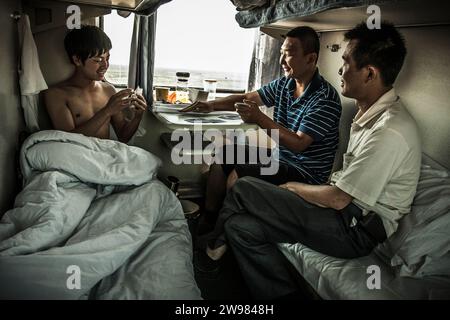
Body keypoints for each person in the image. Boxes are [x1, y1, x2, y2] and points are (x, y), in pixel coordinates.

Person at [197, 22, 421, 300]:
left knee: (245, 188)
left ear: (370, 73)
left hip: (354, 229)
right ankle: (283, 294)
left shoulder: (389, 130)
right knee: (239, 227)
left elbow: (338, 198)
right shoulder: (369, 115)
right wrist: (210, 105)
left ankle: (212, 249)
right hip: (342, 210)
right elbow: (343, 188)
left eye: (346, 62)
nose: (340, 70)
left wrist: (291, 189)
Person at [182, 26, 342, 236]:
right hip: (280, 159)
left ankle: (220, 238)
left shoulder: (325, 99)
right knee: (223, 154)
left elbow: (298, 144)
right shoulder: (285, 84)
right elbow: (246, 98)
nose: (282, 61)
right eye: (281, 53)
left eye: (289, 54)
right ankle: (209, 217)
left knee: (239, 176)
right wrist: (212, 105)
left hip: (305, 172)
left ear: (311, 59)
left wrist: (258, 117)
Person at [44, 25, 146, 143]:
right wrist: (107, 111)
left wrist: (137, 117)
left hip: (104, 154)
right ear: (77, 60)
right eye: (98, 60)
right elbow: (68, 142)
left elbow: (123, 136)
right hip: (77, 157)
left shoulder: (109, 90)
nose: (105, 65)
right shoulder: (56, 95)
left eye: (107, 59)